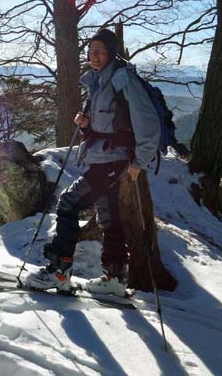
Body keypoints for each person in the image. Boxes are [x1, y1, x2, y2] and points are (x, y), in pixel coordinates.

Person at [26, 28, 160, 297]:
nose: (94, 56)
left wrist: (140, 161)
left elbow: (148, 122)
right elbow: (109, 124)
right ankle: (116, 277)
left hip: (113, 159)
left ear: (111, 53)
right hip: (102, 156)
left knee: (68, 203)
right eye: (91, 51)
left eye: (100, 51)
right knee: (109, 216)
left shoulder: (123, 80)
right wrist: (87, 125)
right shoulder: (98, 81)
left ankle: (59, 272)